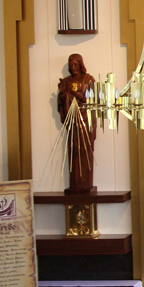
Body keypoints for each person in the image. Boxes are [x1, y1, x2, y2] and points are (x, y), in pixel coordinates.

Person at [56, 53, 96, 193]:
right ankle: (75, 184)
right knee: (74, 150)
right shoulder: (66, 81)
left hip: (85, 120)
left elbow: (93, 101)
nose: (73, 67)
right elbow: (62, 103)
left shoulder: (88, 79)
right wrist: (63, 93)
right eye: (71, 64)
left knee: (85, 150)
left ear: (80, 64)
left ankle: (86, 183)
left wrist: (78, 95)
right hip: (73, 120)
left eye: (75, 64)